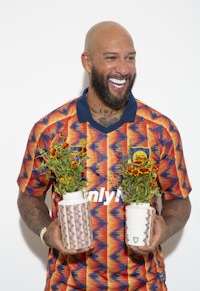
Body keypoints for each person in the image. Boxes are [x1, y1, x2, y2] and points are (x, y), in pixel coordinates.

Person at [17, 21, 192, 290]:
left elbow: (179, 200)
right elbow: (29, 195)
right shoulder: (51, 130)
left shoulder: (160, 130)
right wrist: (45, 232)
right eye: (111, 58)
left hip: (144, 284)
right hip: (69, 283)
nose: (123, 68)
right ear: (87, 62)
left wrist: (164, 228)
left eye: (130, 58)